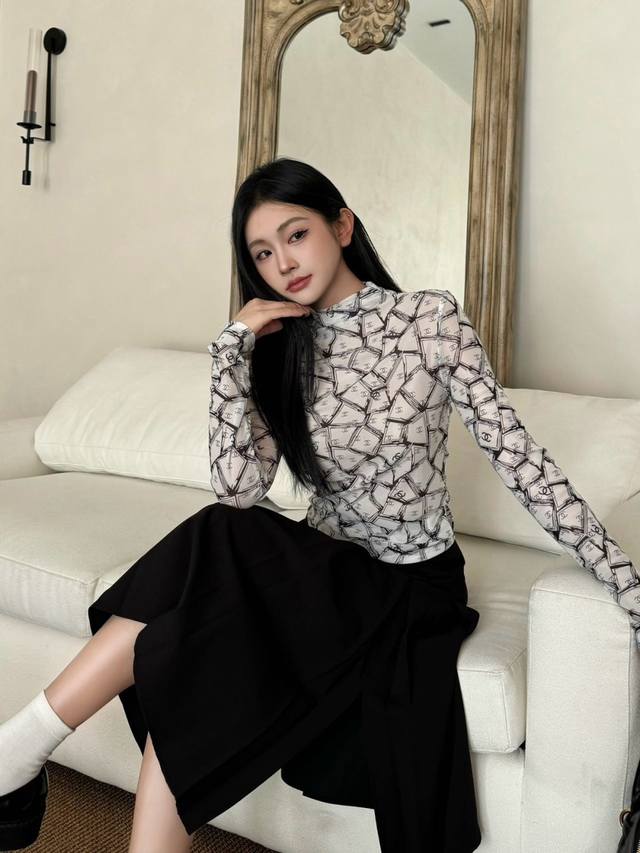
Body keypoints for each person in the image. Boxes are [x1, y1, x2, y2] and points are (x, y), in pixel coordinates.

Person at [1, 156, 638, 853]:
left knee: (219, 545)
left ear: (342, 226)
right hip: (321, 577)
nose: (283, 263)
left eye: (296, 235)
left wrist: (626, 583)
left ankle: (22, 743)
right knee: (186, 646)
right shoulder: (280, 347)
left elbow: (520, 461)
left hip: (407, 588)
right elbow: (241, 489)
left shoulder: (428, 320)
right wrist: (230, 356)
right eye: (262, 253)